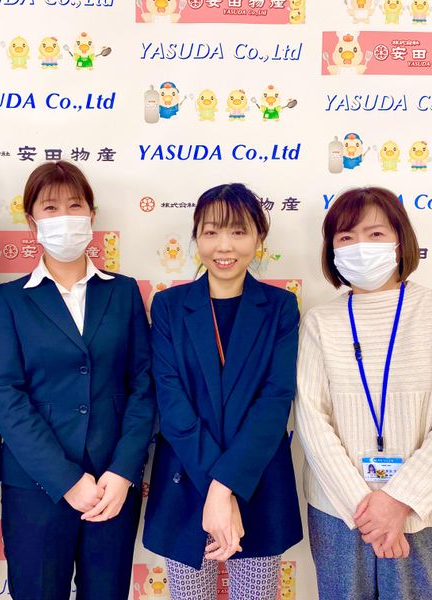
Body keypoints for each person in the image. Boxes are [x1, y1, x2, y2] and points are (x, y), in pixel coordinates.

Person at [295, 186, 432, 600]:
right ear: (332, 251)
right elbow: (312, 420)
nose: (360, 246)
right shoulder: (319, 322)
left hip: (421, 511)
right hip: (339, 512)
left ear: (400, 240)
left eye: (375, 234)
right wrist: (366, 508)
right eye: (346, 237)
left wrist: (398, 500)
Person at [0, 160, 155, 600]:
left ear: (91, 215)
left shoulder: (123, 292)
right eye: (50, 207)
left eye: (74, 206)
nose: (64, 217)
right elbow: (5, 396)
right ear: (31, 222)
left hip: (112, 486)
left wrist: (123, 471)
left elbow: (143, 384)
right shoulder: (8, 301)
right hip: (37, 487)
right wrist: (65, 479)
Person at [143, 183, 302, 599]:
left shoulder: (281, 308)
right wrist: (215, 488)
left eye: (238, 231)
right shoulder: (169, 307)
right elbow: (172, 404)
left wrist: (223, 487)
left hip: (257, 482)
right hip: (185, 483)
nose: (224, 246)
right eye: (211, 232)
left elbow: (273, 403)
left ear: (259, 237)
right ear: (196, 238)